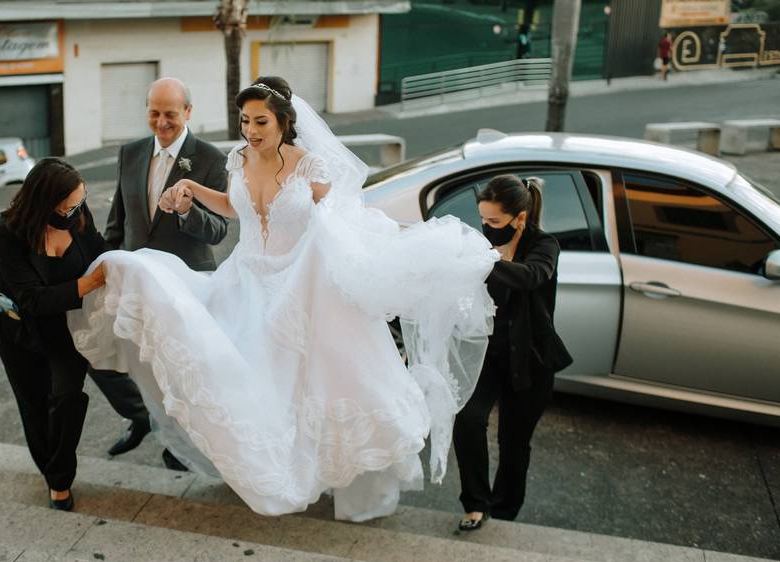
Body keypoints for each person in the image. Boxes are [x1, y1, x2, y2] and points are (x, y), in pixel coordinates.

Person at [68, 76, 497, 521]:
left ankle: (325, 478)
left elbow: (340, 218)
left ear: (283, 122)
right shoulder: (238, 157)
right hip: (245, 281)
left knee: (310, 389)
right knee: (251, 388)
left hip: (299, 285)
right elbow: (236, 209)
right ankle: (267, 471)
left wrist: (336, 254)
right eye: (244, 121)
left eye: (260, 121)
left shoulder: (308, 166)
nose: (250, 130)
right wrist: (193, 193)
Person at [94, 77, 229, 465]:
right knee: (138, 364)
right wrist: (102, 265)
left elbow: (219, 230)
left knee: (183, 371)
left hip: (187, 283)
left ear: (188, 112)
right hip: (138, 282)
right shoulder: (131, 153)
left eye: (170, 113)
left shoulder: (209, 159)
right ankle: (143, 419)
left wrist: (187, 210)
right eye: (154, 113)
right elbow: (117, 223)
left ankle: (181, 448)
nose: (161, 122)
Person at [0, 158, 107, 511]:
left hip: (68, 330)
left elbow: (100, 252)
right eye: (68, 205)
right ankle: (56, 482)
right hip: (21, 332)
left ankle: (60, 474)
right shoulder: (5, 233)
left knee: (67, 400)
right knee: (35, 408)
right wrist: (90, 283)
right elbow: (31, 298)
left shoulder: (78, 216)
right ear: (44, 201)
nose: (75, 210)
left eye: (80, 201)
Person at [453, 175, 572, 531]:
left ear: (519, 218)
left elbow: (532, 275)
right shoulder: (483, 240)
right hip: (489, 353)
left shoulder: (544, 244)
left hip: (530, 358)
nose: (487, 228)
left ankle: (504, 512)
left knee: (514, 442)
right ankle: (475, 504)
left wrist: (486, 265)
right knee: (468, 421)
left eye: (494, 221)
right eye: (483, 220)